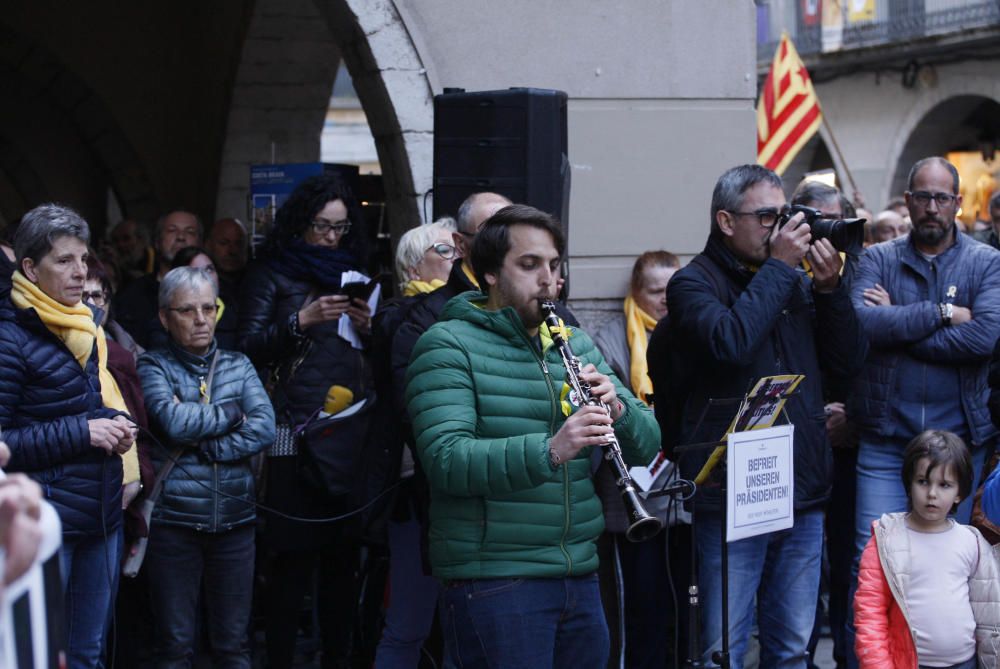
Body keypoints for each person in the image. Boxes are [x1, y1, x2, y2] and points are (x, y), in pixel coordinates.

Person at [405, 204, 661, 668]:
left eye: (554, 265)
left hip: (579, 573)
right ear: (488, 274)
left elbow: (645, 447)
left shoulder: (572, 341)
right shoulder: (446, 345)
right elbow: (445, 461)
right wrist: (552, 449)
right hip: (496, 581)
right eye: (529, 265)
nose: (548, 280)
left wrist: (618, 409)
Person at [655, 164, 866, 667]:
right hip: (729, 493)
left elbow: (848, 364)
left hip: (800, 486)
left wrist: (831, 290)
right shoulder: (691, 284)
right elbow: (729, 344)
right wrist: (779, 268)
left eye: (784, 215)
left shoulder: (792, 282)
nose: (781, 227)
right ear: (726, 221)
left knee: (793, 646)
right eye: (768, 216)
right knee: (721, 648)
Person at [238, 174, 373, 667]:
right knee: (292, 555)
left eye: (340, 228)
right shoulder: (270, 273)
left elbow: (371, 356)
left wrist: (369, 327)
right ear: (300, 224)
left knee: (341, 557)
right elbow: (243, 348)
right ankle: (278, 658)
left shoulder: (356, 273)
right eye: (322, 226)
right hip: (288, 429)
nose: (331, 238)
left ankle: (337, 656)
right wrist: (302, 320)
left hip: (347, 426)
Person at [0, 204, 139, 668]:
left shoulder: (82, 324)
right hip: (42, 522)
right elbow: (3, 442)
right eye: (64, 260)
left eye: (83, 258)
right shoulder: (9, 337)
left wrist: (113, 427)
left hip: (99, 515)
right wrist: (83, 431)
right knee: (38, 658)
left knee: (88, 654)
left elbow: (72, 407)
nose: (80, 272)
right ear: (29, 268)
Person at [850, 156, 1000, 549]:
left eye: (941, 198)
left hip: (960, 442)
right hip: (886, 440)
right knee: (873, 557)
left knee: (950, 560)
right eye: (923, 197)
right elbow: (863, 325)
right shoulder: (877, 258)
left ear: (958, 202)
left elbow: (982, 338)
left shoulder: (986, 263)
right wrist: (942, 313)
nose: (932, 207)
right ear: (908, 199)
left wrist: (896, 326)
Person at [137, 266, 274, 668]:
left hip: (235, 524)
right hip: (174, 526)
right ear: (165, 317)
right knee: (175, 647)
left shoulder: (240, 364)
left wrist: (208, 445)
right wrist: (233, 412)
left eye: (208, 308)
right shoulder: (153, 366)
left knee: (234, 647)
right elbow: (171, 422)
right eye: (187, 310)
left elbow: (264, 429)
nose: (201, 319)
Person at [592, 250, 689, 668]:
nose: (666, 299)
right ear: (635, 292)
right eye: (655, 291)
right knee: (642, 609)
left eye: (674, 289)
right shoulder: (610, 339)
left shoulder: (693, 330)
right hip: (631, 501)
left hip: (683, 498)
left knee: (683, 610)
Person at [373, 218, 456, 668]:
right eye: (444, 252)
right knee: (409, 622)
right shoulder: (396, 318)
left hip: (448, 487)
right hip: (412, 488)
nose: (456, 258)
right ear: (412, 265)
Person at [854, 430, 1000, 669]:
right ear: (909, 484)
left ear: (959, 493)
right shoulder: (885, 541)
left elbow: (990, 612)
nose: (932, 493)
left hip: (965, 664)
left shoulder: (972, 542)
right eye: (923, 481)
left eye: (944, 485)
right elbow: (869, 613)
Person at [114, 210, 202, 348]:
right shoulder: (133, 295)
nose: (181, 237)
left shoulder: (216, 293)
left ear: (200, 242)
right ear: (157, 242)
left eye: (190, 232)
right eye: (172, 230)